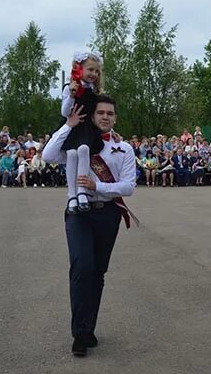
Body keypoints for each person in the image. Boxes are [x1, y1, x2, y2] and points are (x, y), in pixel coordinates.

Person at [42, 95, 136, 358]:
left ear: (115, 118)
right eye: (100, 112)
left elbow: (128, 186)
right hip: (78, 215)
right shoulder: (77, 141)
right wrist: (69, 125)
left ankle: (88, 328)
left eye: (110, 113)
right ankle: (80, 334)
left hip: (107, 214)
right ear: (93, 116)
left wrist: (99, 186)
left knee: (97, 273)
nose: (105, 116)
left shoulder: (123, 148)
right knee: (82, 268)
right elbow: (48, 156)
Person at [60, 51, 105, 214]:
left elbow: (98, 115)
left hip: (87, 128)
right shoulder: (69, 88)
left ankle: (82, 191)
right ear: (79, 69)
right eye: (90, 70)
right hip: (73, 126)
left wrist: (110, 130)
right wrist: (71, 95)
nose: (93, 74)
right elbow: (64, 112)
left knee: (84, 149)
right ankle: (72, 195)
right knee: (72, 154)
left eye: (96, 71)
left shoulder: (94, 91)